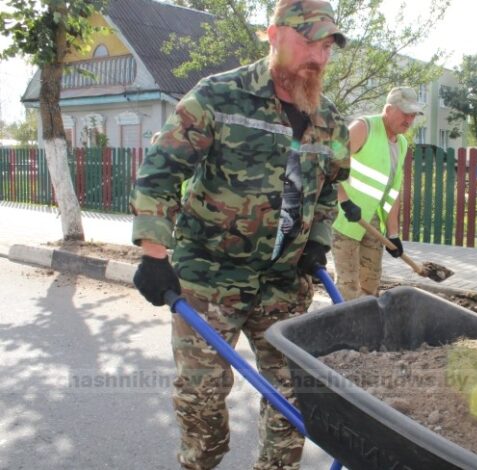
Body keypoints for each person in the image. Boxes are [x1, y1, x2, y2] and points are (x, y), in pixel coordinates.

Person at [128, 1, 349, 468]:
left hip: (283, 284)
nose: (319, 56)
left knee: (292, 397)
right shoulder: (218, 96)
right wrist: (153, 253)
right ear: (273, 35)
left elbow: (329, 189)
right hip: (209, 277)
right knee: (202, 400)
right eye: (309, 41)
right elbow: (160, 173)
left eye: (328, 46)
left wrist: (317, 240)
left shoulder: (329, 120)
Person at [331, 86, 424, 300]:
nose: (409, 120)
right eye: (405, 113)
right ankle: (345, 320)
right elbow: (330, 163)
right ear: (388, 109)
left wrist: (393, 234)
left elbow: (392, 192)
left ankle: (367, 320)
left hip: (372, 222)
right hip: (346, 219)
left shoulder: (401, 143)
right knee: (347, 287)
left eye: (413, 115)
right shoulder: (364, 127)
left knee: (370, 285)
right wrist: (344, 202)